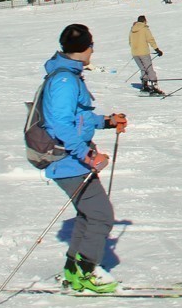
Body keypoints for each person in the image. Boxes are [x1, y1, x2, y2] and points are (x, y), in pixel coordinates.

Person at [41, 23, 127, 293]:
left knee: (89, 215)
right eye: (92, 46)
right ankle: (87, 272)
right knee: (101, 215)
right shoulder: (65, 80)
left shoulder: (67, 75)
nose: (93, 51)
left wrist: (107, 122)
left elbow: (79, 117)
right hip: (67, 160)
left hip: (71, 160)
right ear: (85, 48)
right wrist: (87, 155)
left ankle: (73, 270)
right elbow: (61, 125)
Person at [129, 15, 164, 95]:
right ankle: (154, 87)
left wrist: (135, 49)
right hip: (144, 52)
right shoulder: (144, 28)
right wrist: (157, 49)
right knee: (149, 68)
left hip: (135, 53)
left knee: (143, 69)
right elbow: (150, 39)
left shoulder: (132, 29)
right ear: (144, 21)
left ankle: (145, 85)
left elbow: (130, 41)